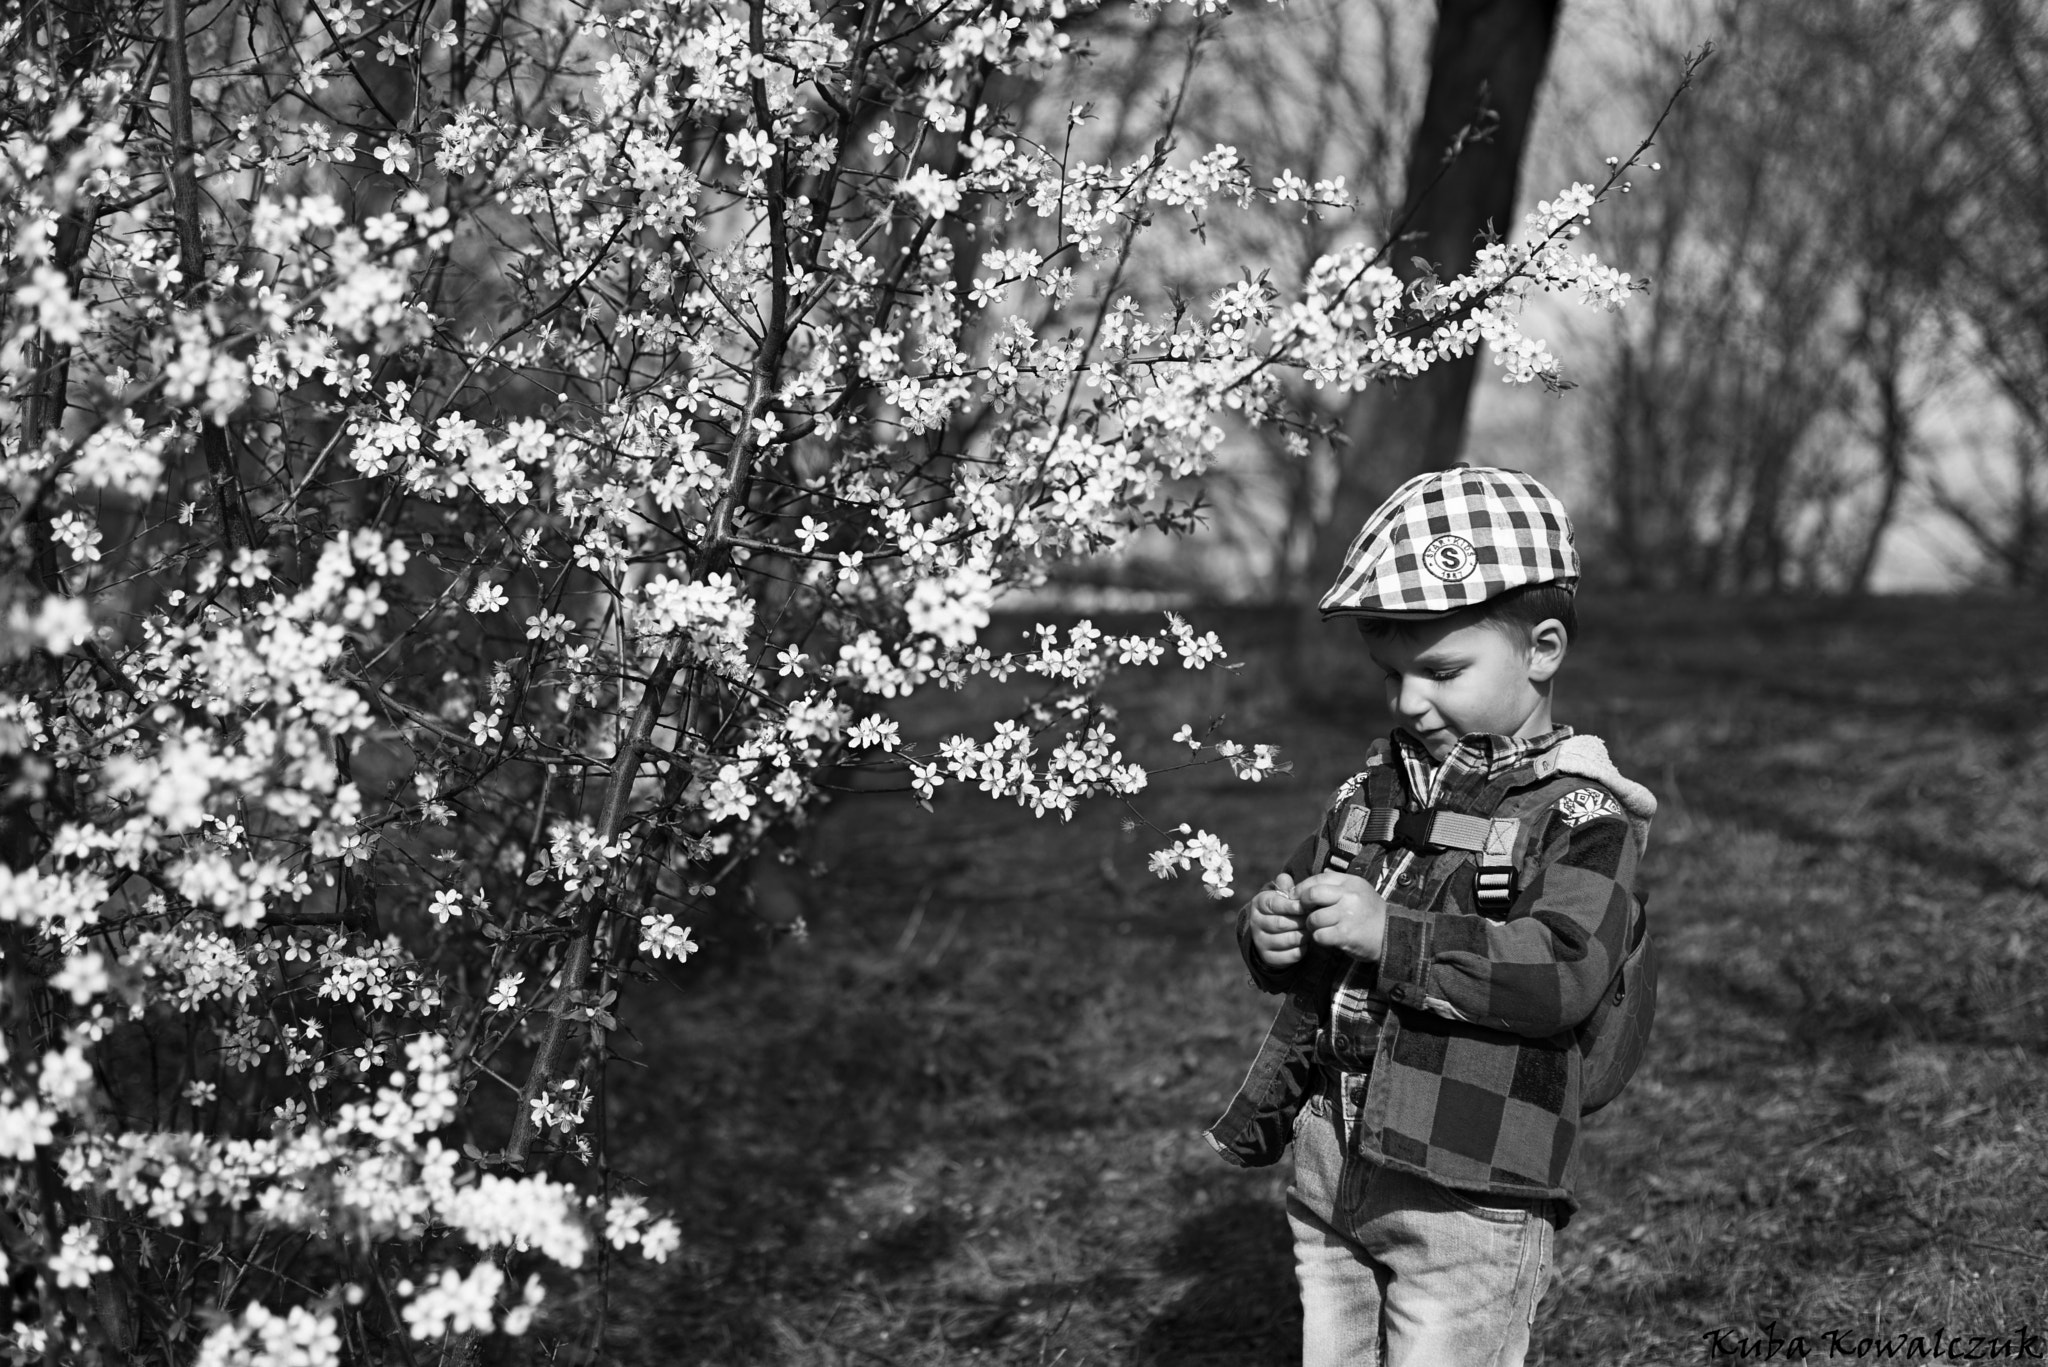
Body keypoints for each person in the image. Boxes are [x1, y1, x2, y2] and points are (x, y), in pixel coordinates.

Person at [1204, 466, 1656, 1367]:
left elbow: (1560, 972)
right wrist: (1271, 933)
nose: (1409, 702)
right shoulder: (1371, 793)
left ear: (1543, 649)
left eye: (1442, 671)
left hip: (1469, 1174)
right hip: (1334, 1152)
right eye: (1392, 674)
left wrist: (1394, 936)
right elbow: (1302, 903)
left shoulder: (1578, 817)